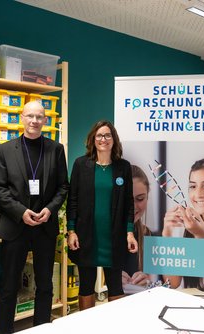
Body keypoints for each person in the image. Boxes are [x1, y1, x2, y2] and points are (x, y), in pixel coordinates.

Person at [0, 101, 69, 333]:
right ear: (21, 118)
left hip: (45, 226)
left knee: (45, 285)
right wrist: (20, 212)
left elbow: (63, 187)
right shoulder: (5, 150)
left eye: (39, 117)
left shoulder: (55, 149)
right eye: (30, 116)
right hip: (16, 225)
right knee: (9, 286)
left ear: (45, 120)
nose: (34, 121)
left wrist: (50, 210)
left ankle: (41, 328)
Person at [67, 120, 138, 310]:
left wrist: (130, 232)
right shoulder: (81, 165)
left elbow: (129, 204)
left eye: (107, 135)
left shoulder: (123, 167)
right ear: (93, 139)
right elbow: (72, 199)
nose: (103, 139)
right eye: (99, 135)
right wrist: (71, 231)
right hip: (87, 236)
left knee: (115, 287)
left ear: (114, 140)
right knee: (86, 286)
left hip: (114, 238)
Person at [162, 157, 204, 300]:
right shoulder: (183, 229)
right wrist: (167, 236)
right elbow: (172, 284)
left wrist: (201, 236)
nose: (198, 194)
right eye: (193, 186)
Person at [122, 165, 152, 292]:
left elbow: (153, 277)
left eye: (140, 199)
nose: (133, 206)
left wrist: (147, 279)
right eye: (127, 199)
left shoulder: (148, 234)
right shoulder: (102, 232)